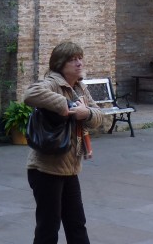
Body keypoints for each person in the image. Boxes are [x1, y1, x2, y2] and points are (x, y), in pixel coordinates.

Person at [24, 41, 109, 244]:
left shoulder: (79, 87)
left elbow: (101, 117)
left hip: (70, 168)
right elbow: (30, 94)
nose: (79, 63)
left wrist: (85, 112)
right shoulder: (53, 82)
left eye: (80, 58)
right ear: (60, 63)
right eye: (73, 59)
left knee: (76, 224)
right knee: (48, 228)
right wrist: (66, 105)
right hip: (46, 168)